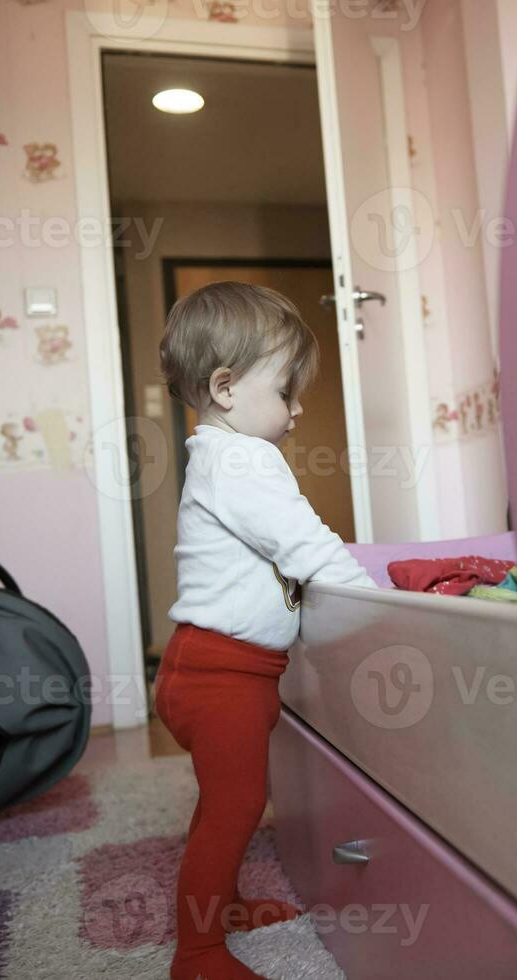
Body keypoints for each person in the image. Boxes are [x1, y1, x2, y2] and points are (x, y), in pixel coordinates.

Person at [153, 281, 377, 980]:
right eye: (285, 392)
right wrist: (382, 610)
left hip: (214, 670)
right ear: (225, 387)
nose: (297, 409)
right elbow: (306, 547)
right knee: (238, 803)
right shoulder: (245, 459)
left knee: (225, 804)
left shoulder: (216, 456)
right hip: (220, 675)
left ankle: (222, 905)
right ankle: (197, 955)